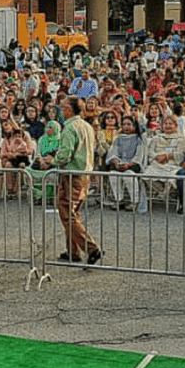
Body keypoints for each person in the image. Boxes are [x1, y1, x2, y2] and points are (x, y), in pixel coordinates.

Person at [53, 96, 102, 264]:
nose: (61, 110)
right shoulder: (87, 126)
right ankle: (72, 251)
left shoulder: (70, 128)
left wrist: (52, 161)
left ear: (69, 109)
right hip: (84, 174)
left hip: (72, 175)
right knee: (73, 213)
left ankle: (91, 248)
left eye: (63, 107)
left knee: (67, 213)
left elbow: (65, 154)